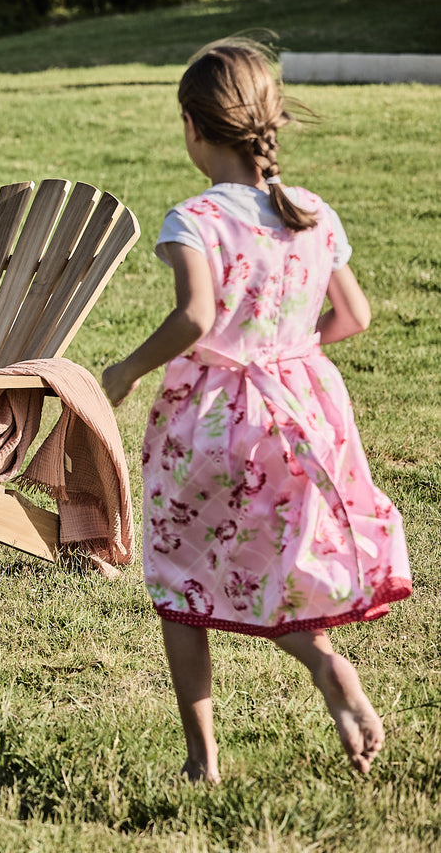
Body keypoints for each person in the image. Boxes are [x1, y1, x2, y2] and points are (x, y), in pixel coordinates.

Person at [101, 40, 411, 781]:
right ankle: (326, 666)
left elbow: (196, 319)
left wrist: (124, 369)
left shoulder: (196, 217)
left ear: (192, 127)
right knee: (270, 560)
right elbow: (356, 315)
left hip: (211, 420)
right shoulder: (312, 212)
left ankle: (202, 760)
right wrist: (289, 352)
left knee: (182, 581)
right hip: (302, 415)